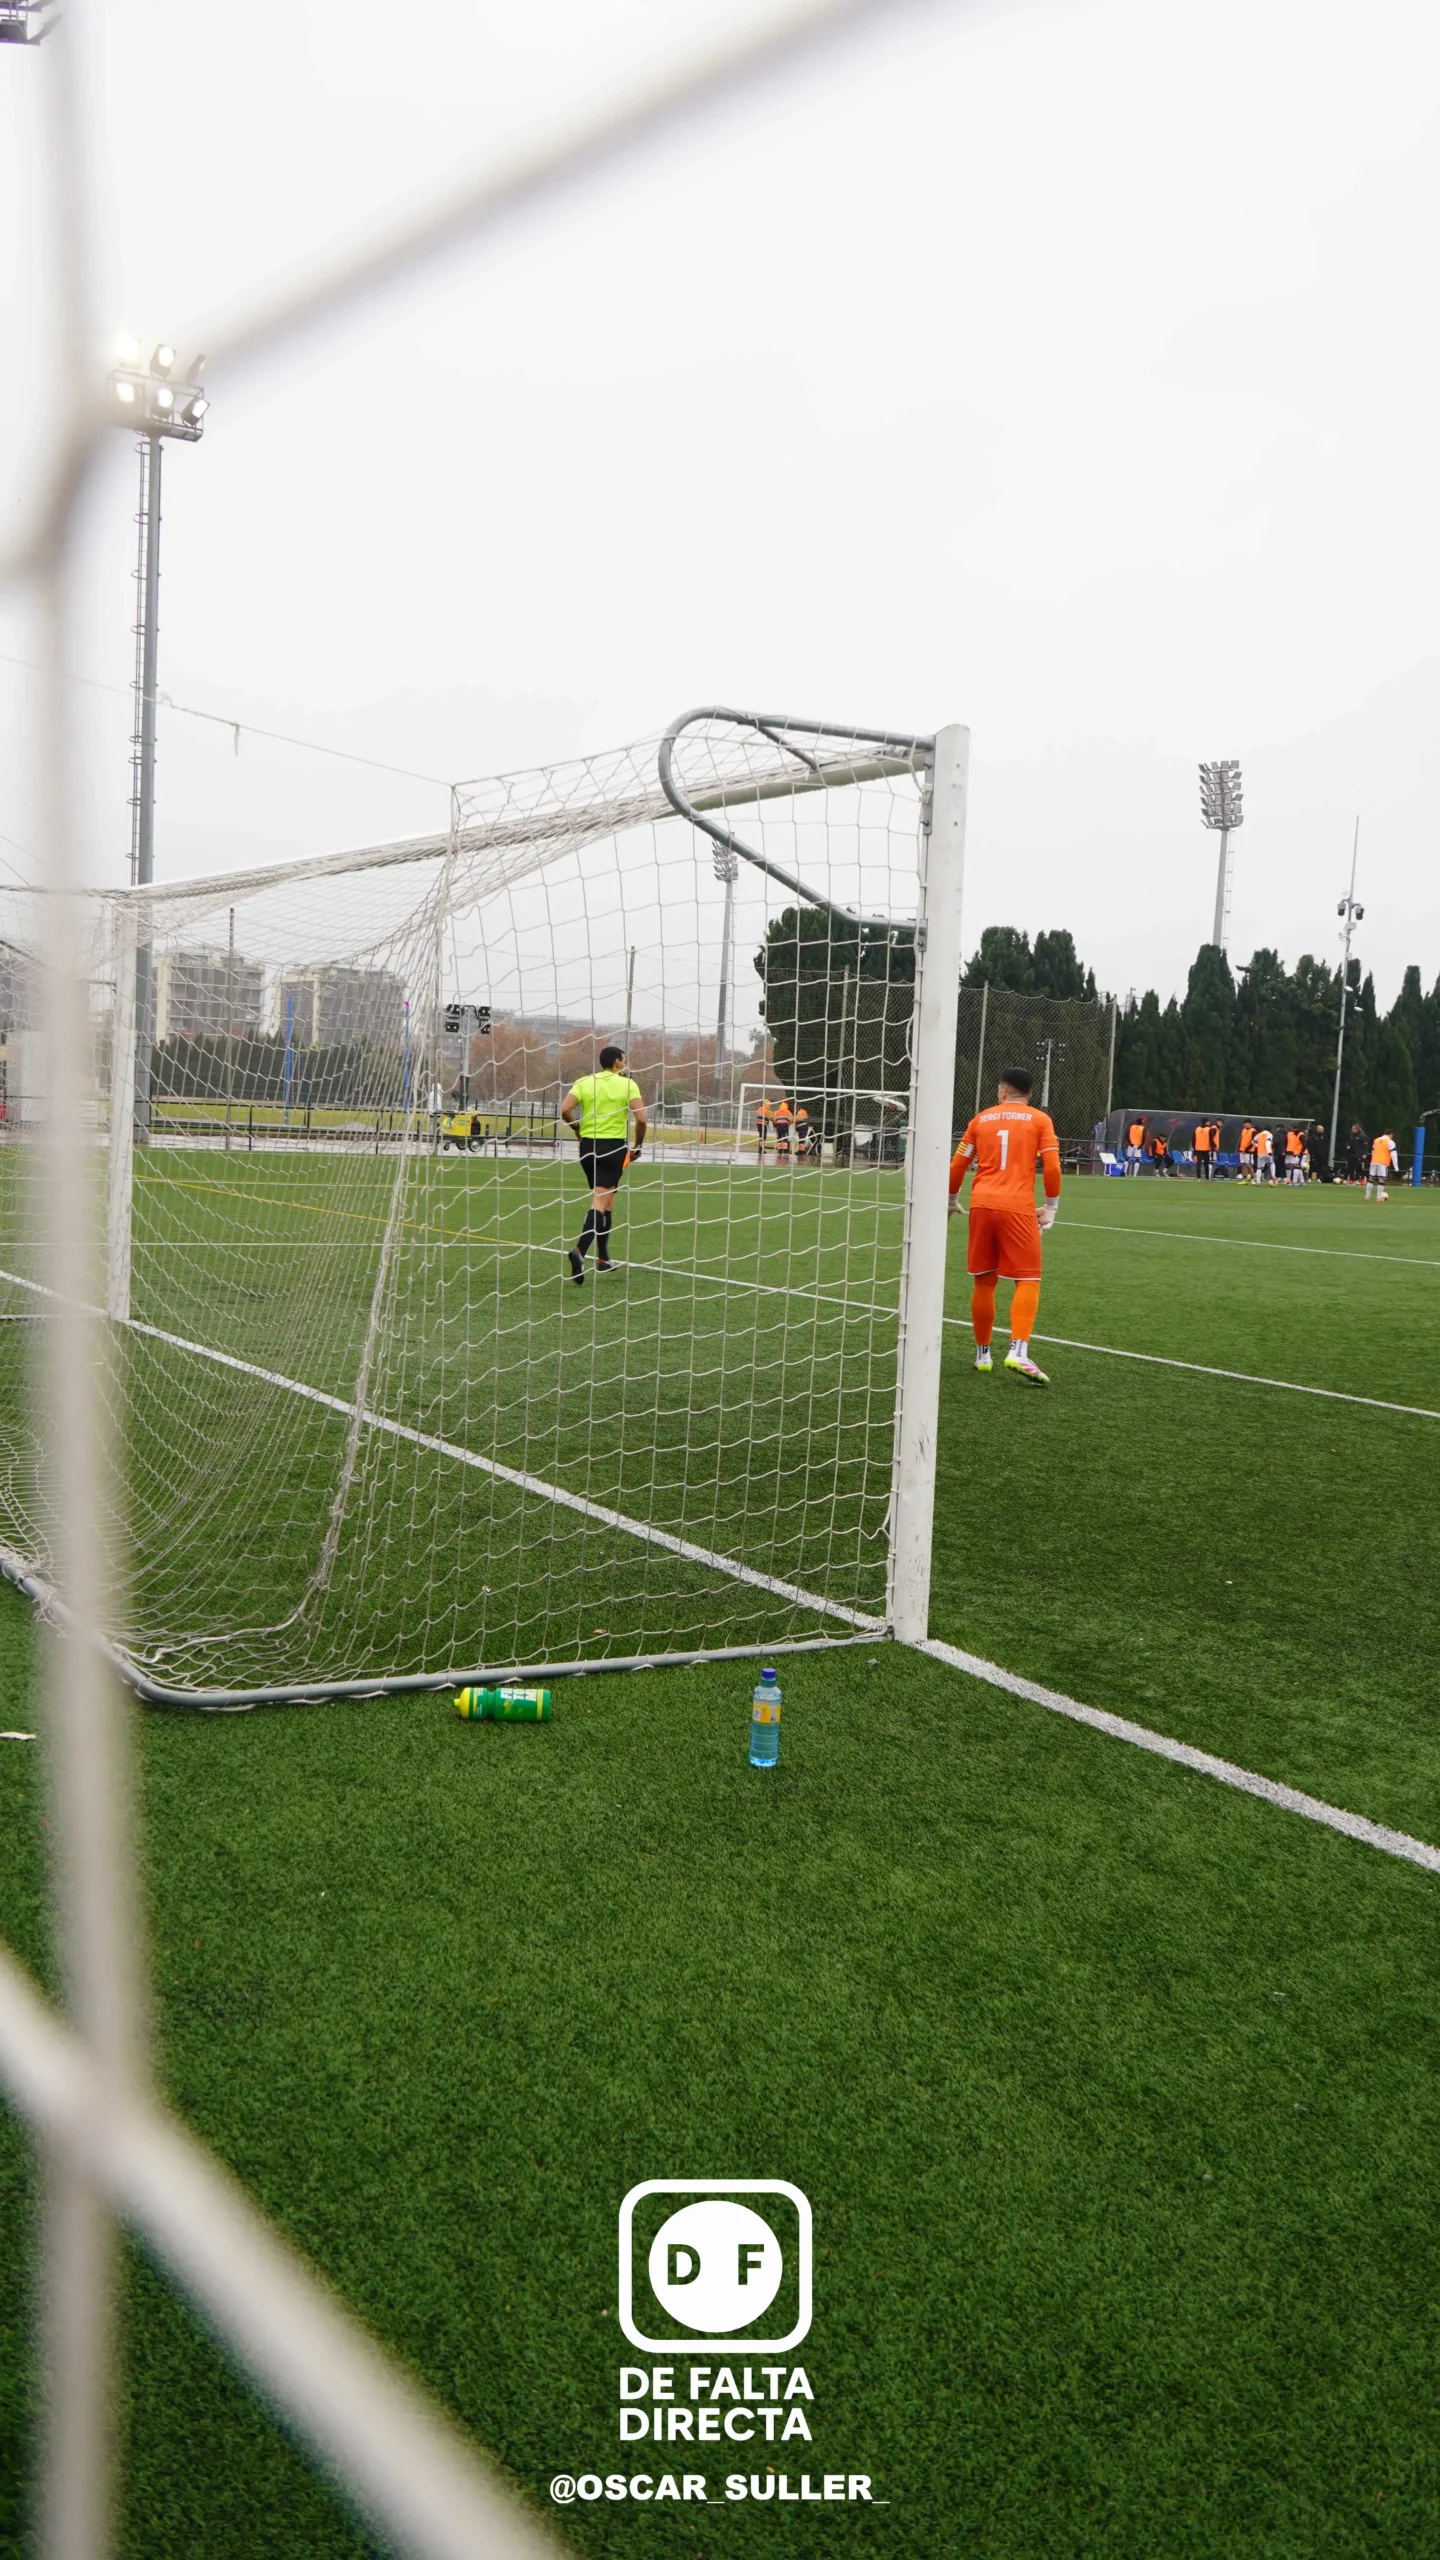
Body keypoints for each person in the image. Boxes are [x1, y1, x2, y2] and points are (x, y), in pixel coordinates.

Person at [948, 1065, 1062, 1386]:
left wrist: (951, 1199)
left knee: (984, 1282)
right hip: (1017, 1207)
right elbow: (1052, 1166)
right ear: (1029, 1094)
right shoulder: (1040, 1120)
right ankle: (1018, 1352)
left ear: (1001, 1091)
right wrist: (1051, 1207)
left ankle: (983, 1356)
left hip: (982, 1204)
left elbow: (958, 1164)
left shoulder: (980, 1119)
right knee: (1028, 1279)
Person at [560, 1043, 646, 1283]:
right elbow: (641, 1119)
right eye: (624, 1060)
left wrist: (576, 1127)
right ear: (617, 1062)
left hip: (587, 1148)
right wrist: (637, 1146)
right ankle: (579, 1251)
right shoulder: (627, 1084)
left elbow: (565, 1109)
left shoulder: (584, 1082)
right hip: (613, 1148)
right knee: (600, 1201)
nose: (625, 1064)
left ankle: (603, 1258)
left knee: (607, 1200)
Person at [1365, 1130, 1399, 1202]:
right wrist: (1396, 1167)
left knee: (1371, 1178)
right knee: (1381, 1179)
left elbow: (1373, 1151)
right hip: (1383, 1162)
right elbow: (1394, 1155)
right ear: (1391, 1135)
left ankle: (1367, 1196)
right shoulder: (1390, 1142)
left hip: (1374, 1161)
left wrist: (1374, 1158)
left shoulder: (1376, 1140)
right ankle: (1378, 1198)